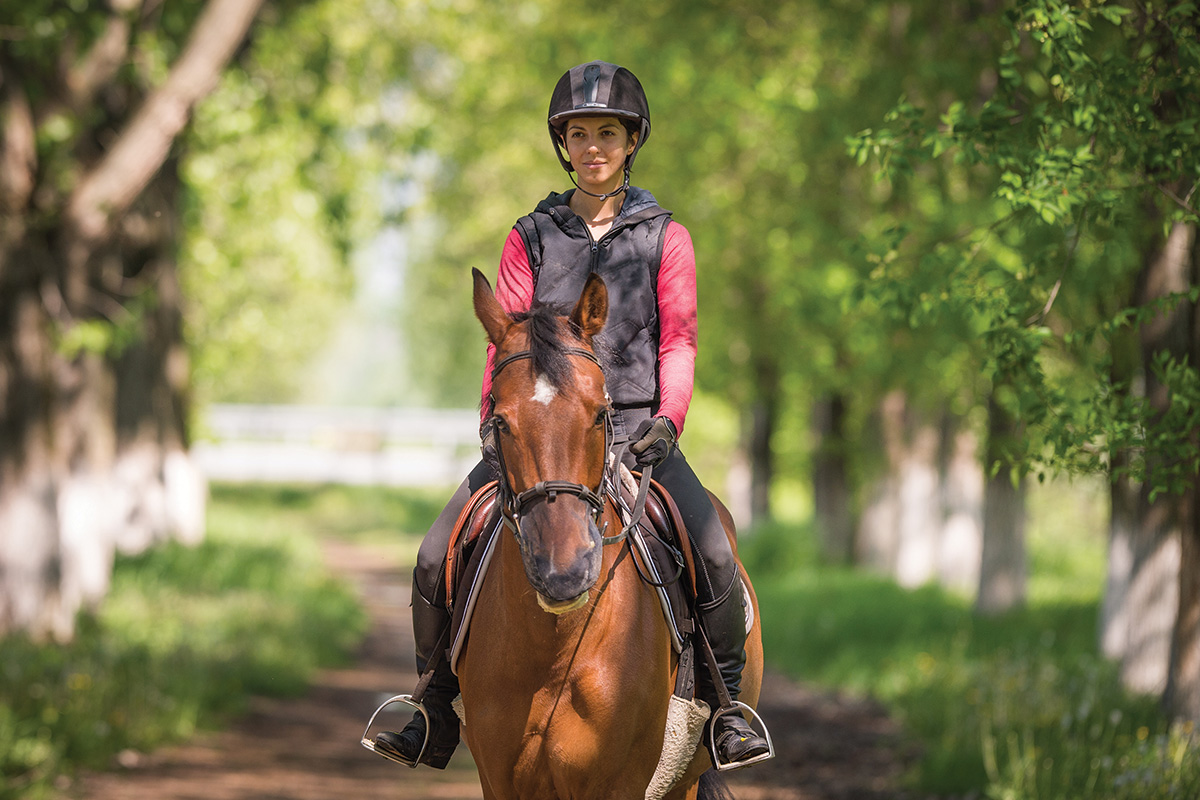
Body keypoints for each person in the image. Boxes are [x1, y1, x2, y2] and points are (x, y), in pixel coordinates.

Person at [376, 60, 770, 771]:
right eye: (580, 133)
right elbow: (503, 342)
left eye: (608, 133)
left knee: (712, 549)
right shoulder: (529, 235)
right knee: (438, 549)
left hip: (636, 433)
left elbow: (678, 339)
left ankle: (728, 710)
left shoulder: (664, 237)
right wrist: (498, 423)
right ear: (564, 144)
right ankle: (432, 706)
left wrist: (668, 422)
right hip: (536, 437)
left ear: (630, 142)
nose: (594, 146)